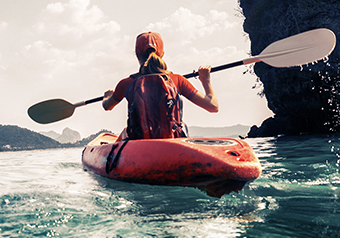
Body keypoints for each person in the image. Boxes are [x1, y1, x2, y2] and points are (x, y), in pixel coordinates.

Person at [103, 32, 218, 139]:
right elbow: (212, 106)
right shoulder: (177, 80)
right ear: (162, 54)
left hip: (139, 144)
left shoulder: (126, 83)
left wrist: (107, 96)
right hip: (172, 143)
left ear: (137, 55)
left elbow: (107, 106)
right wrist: (205, 81)